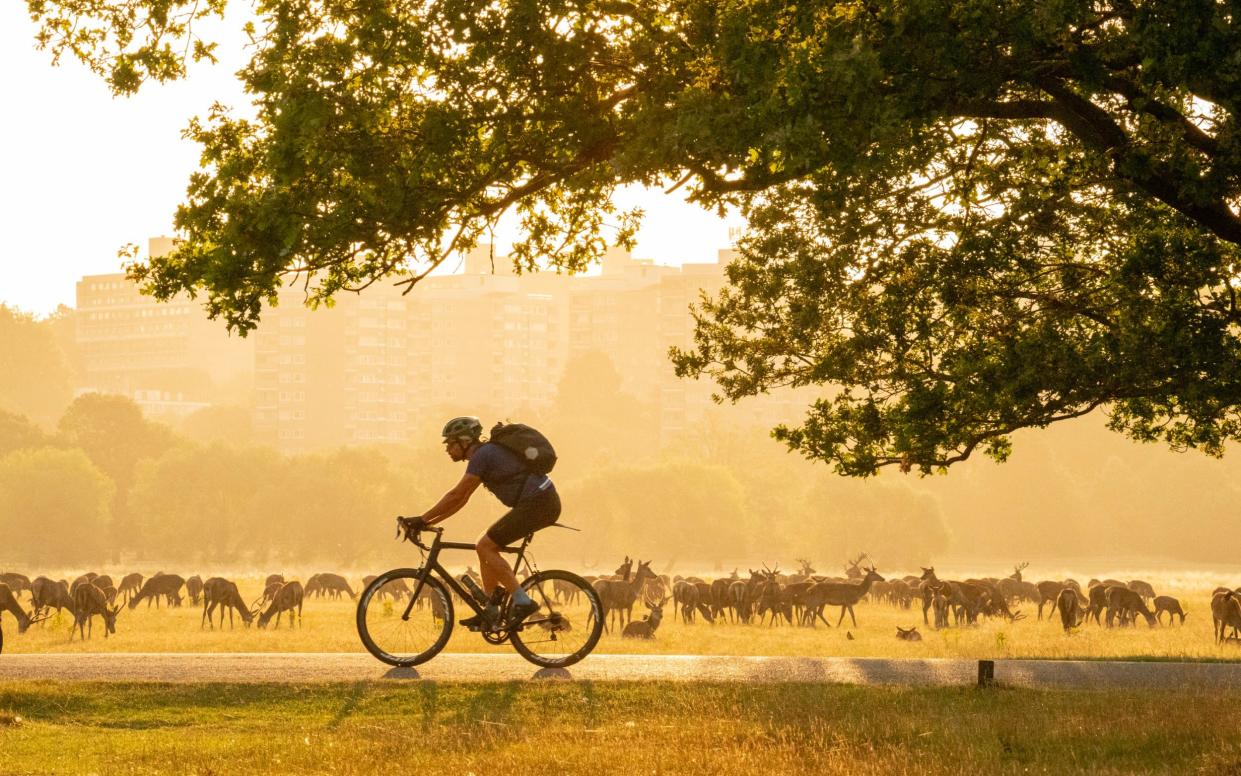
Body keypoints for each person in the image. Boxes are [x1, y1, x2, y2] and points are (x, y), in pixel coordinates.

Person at [411, 416, 561, 629]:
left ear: (464, 441)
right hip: (537, 503)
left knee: (485, 545)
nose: (447, 449)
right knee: (484, 545)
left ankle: (523, 601)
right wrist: (427, 522)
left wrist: (421, 519)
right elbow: (461, 500)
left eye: (450, 443)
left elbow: (456, 494)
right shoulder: (485, 455)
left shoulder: (484, 455)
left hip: (540, 503)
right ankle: (491, 611)